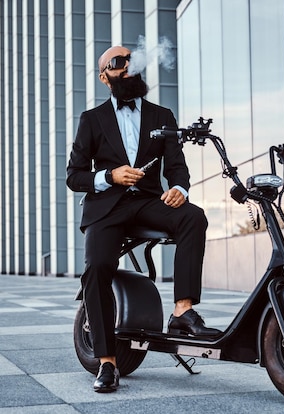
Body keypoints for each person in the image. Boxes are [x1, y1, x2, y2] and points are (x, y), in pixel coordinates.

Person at [66, 45, 221, 393]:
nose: (129, 65)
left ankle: (182, 311)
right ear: (105, 77)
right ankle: (106, 362)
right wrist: (110, 176)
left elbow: (177, 166)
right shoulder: (91, 120)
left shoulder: (162, 115)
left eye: (131, 59)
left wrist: (179, 187)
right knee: (97, 268)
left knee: (193, 217)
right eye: (118, 63)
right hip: (106, 208)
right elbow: (74, 176)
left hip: (149, 202)